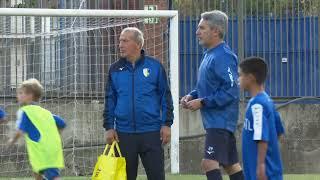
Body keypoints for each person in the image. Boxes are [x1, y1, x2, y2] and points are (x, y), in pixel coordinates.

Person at [103, 27, 173, 180]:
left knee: (157, 176)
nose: (120, 44)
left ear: (138, 44)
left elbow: (165, 97)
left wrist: (167, 124)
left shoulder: (155, 67)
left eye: (125, 41)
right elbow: (110, 100)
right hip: (123, 134)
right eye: (120, 41)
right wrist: (109, 127)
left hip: (151, 133)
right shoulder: (114, 69)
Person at [181, 10, 244, 180]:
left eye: (202, 28)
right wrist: (192, 95)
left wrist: (203, 102)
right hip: (216, 121)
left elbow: (231, 90)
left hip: (221, 121)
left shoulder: (224, 56)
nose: (197, 32)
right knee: (231, 165)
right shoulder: (209, 54)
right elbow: (208, 87)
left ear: (215, 31)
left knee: (209, 163)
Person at [8, 78, 66, 180]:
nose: (18, 95)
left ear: (30, 95)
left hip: (42, 150)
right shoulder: (45, 112)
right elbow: (62, 123)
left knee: (53, 176)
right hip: (50, 148)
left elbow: (20, 131)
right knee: (38, 171)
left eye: (21, 93)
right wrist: (54, 136)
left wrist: (12, 141)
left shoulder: (25, 112)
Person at [239, 57, 284, 180]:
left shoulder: (258, 105)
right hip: (269, 171)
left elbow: (261, 137)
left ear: (251, 78)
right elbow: (279, 132)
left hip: (262, 173)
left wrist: (261, 165)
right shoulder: (267, 101)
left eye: (241, 75)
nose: (239, 79)